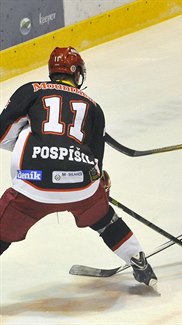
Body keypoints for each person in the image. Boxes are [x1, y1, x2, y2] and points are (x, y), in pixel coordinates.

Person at [0, 47, 157, 287]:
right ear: (77, 74)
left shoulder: (30, 90)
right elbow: (96, 162)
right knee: (104, 219)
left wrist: (38, 146)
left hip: (33, 184)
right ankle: (140, 261)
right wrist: (99, 182)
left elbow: (3, 136)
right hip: (81, 188)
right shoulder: (94, 107)